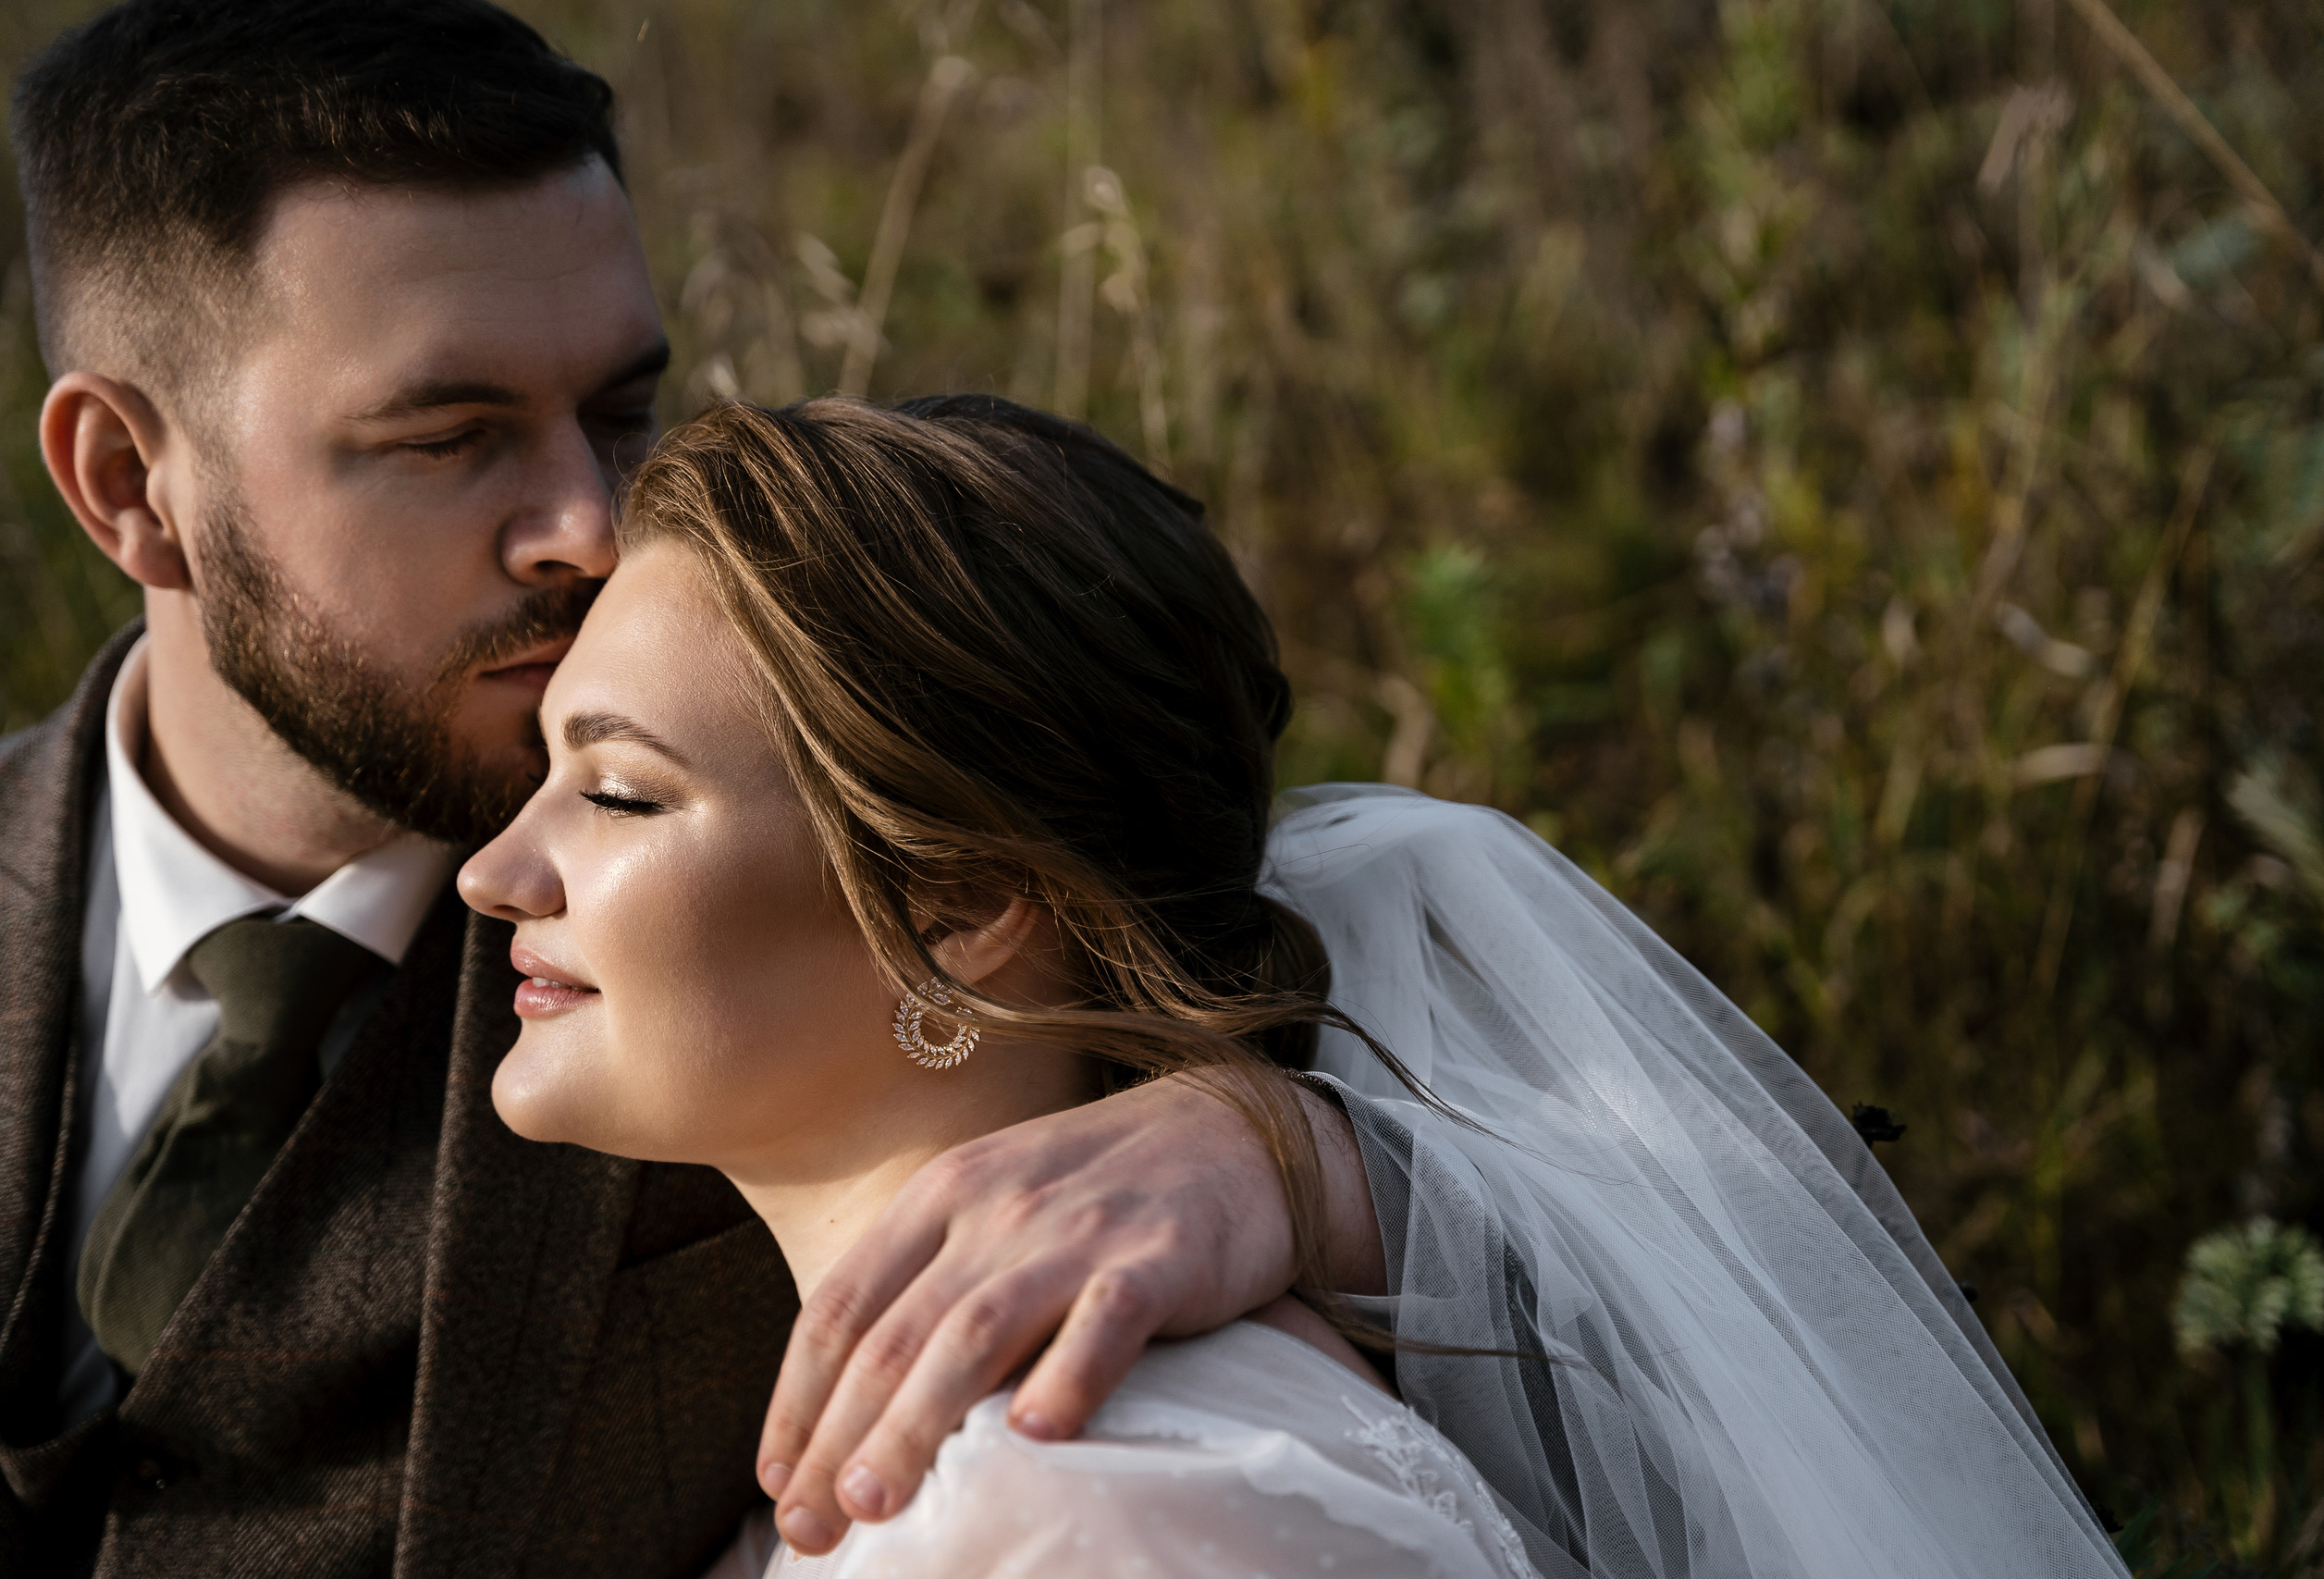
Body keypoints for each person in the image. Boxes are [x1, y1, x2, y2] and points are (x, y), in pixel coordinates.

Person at [0, 4, 1389, 1573]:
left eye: (617, 409)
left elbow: (1608, 1144)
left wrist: (1292, 1150)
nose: (589, 525)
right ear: (127, 485)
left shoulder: (793, 871)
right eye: (451, 437)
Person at [460, 393, 2130, 1578]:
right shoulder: (1006, 1461)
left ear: (964, 907)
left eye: (616, 794)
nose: (494, 871)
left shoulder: (1099, 1516)